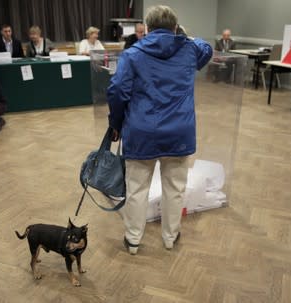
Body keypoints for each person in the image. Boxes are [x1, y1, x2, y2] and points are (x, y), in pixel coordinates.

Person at [107, 5, 212, 255]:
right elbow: (207, 49)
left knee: (136, 189)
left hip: (142, 131)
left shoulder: (133, 54)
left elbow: (117, 91)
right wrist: (185, 35)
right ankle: (169, 237)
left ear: (148, 28)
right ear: (175, 27)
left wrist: (116, 124)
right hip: (179, 131)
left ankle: (133, 240)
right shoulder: (189, 49)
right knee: (175, 189)